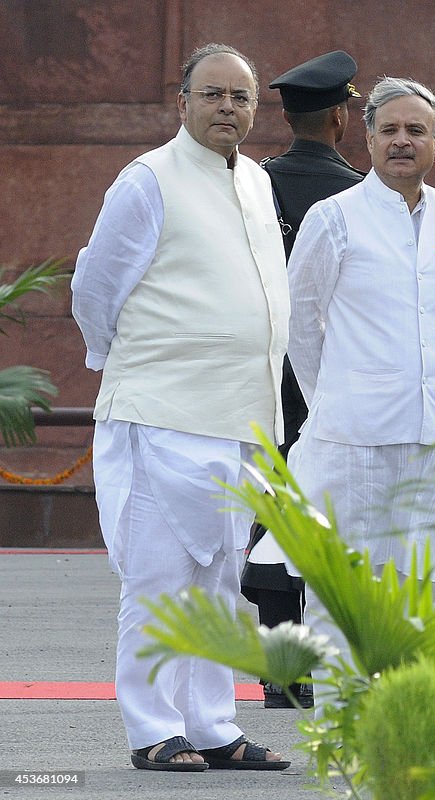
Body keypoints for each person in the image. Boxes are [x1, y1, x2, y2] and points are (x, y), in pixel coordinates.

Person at [70, 43, 290, 771]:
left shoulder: (257, 181)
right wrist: (131, 364)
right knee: (160, 577)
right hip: (162, 412)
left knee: (221, 582)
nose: (229, 108)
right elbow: (95, 290)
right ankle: (152, 729)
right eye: (214, 94)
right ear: (183, 101)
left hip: (241, 418)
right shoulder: (147, 180)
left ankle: (214, 726)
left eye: (241, 97)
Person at [286, 77, 435, 670]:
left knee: (420, 591)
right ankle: (338, 731)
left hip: (431, 435)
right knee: (344, 588)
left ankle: (400, 734)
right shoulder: (335, 217)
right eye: (389, 130)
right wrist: (337, 396)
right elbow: (299, 322)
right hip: (351, 437)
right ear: (367, 138)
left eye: (415, 131)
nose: (402, 141)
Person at [240, 49, 365, 710]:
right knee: (345, 520)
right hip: (347, 379)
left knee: (278, 513)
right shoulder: (365, 195)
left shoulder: (255, 184)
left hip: (269, 377)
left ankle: (283, 673)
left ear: (285, 115)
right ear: (342, 116)